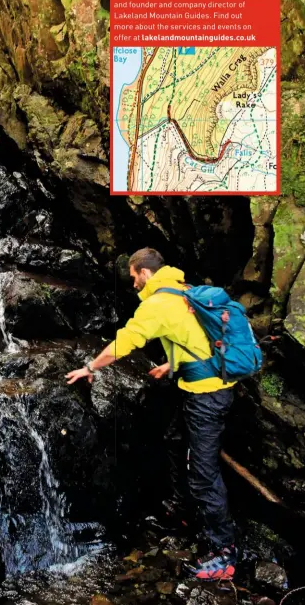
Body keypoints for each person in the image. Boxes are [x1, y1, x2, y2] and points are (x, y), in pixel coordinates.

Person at [65, 247, 237, 580]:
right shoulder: (182, 290)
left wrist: (89, 367)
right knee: (173, 439)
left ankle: (225, 553)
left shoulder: (158, 303)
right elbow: (196, 334)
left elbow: (126, 341)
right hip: (198, 385)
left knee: (203, 472)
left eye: (133, 278)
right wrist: (172, 364)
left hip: (209, 394)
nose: (133, 285)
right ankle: (183, 510)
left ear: (144, 272)